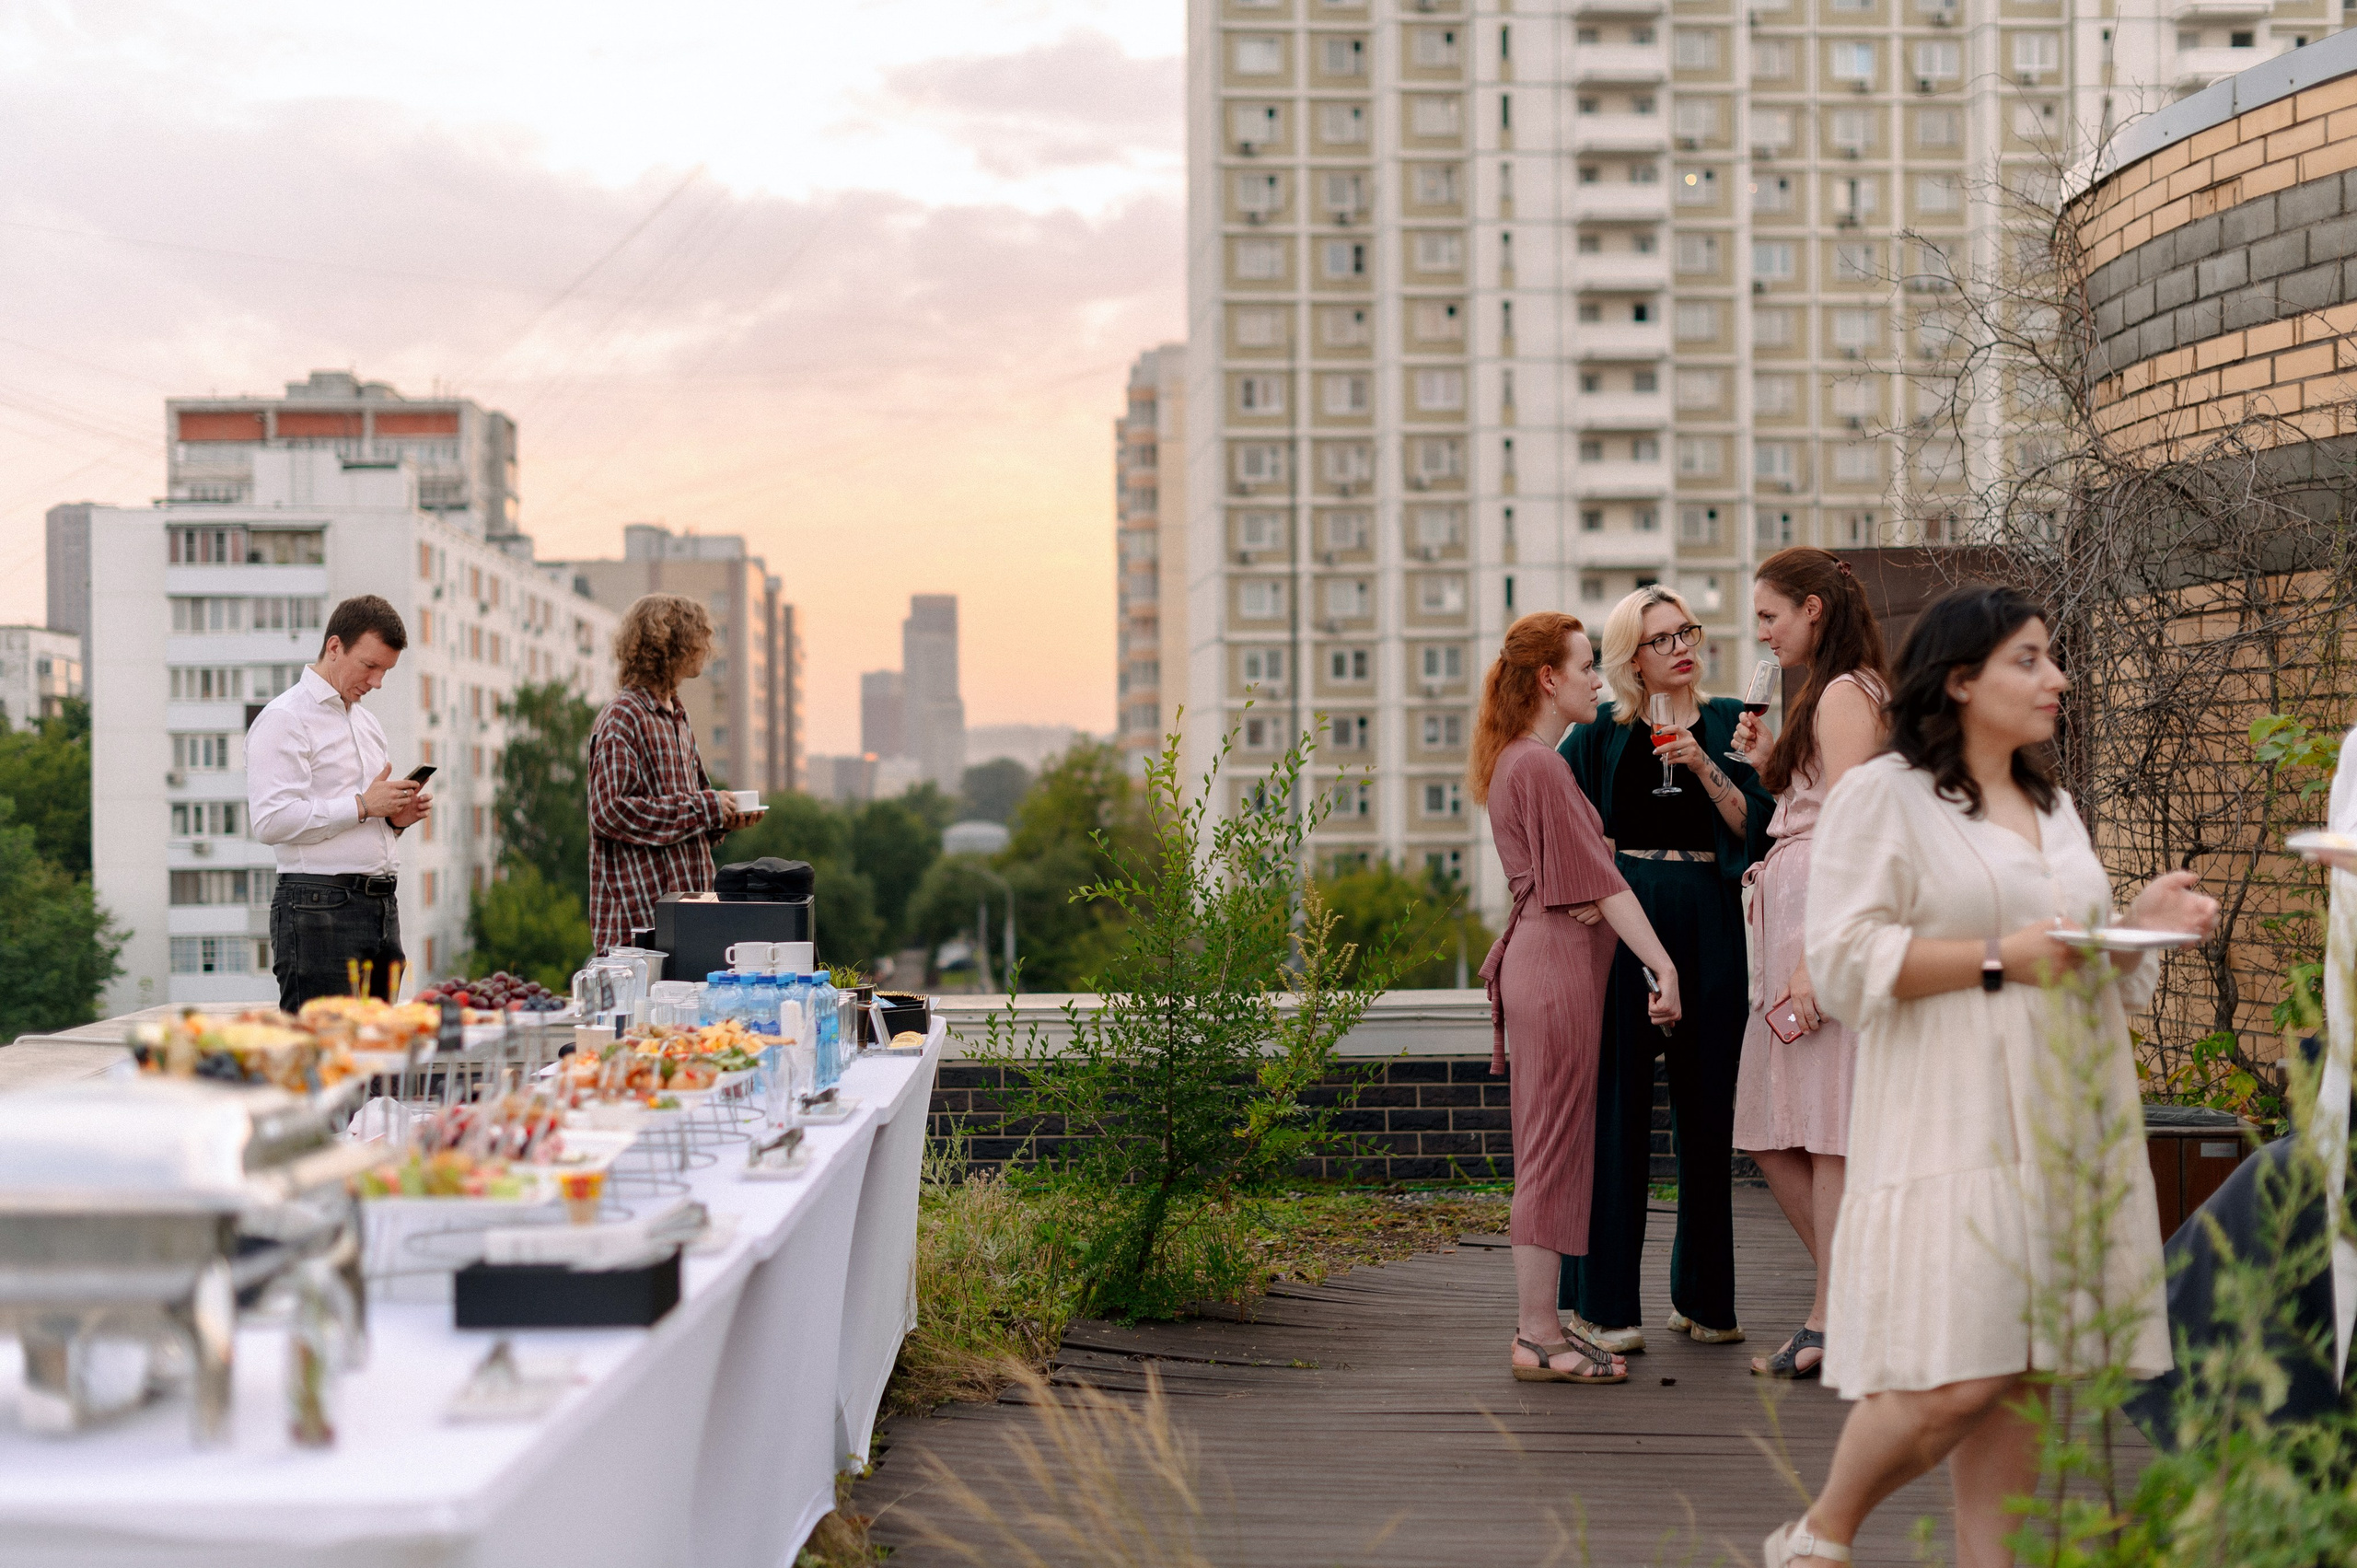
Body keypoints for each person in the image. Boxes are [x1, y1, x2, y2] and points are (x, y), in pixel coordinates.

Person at [1768, 585, 2217, 1568]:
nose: (2055, 677)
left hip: (2068, 1122)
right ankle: (1818, 1533)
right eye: (2028, 658)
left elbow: (2076, 956)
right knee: (1958, 1379)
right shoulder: (1881, 796)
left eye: (2052, 657)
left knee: (2031, 1383)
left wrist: (2139, 920)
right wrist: (1994, 956)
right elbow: (1844, 963)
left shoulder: (2050, 804)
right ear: (1960, 678)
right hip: (1954, 1123)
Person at [1558, 585, 1775, 1353]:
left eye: (1688, 629)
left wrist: (1704, 766)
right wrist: (1581, 889)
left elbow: (1760, 824)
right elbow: (1556, 818)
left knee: (1708, 1112)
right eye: (1662, 637)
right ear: (1632, 658)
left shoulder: (1730, 724)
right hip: (1627, 921)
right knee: (1618, 1111)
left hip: (1711, 921)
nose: (1683, 645)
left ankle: (1707, 1299)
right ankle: (1608, 1305)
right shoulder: (1602, 733)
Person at [1471, 612, 1684, 1385]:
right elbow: (1600, 882)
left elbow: (1583, 878)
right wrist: (1665, 964)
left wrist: (1591, 893)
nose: (1601, 679)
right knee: (1551, 1154)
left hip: (1550, 966)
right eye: (1588, 666)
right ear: (1547, 680)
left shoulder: (1525, 762)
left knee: (1552, 1150)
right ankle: (1536, 1336)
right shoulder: (1539, 766)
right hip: (1554, 974)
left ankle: (1547, 1327)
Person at [1728, 549, 1892, 1381]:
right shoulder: (1822, 695)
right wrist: (1766, 769)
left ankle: (1834, 1317)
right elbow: (1820, 805)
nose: (1762, 632)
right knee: (1773, 1129)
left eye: (1770, 614)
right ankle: (1849, 1302)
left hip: (1818, 940)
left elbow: (1860, 829)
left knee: (1826, 1134)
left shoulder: (1842, 693)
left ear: (1814, 609)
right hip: (1794, 934)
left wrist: (1825, 958)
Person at [249, 595, 433, 1010]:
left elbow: (354, 819)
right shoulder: (285, 718)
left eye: (386, 671)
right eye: (370, 666)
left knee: (380, 1062)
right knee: (327, 1063)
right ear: (335, 647)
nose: (378, 682)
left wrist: (393, 820)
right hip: (317, 911)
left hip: (381, 908)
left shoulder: (366, 723)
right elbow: (270, 821)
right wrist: (364, 806)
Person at [586, 594, 758, 954]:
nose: (706, 647)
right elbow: (609, 813)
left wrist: (722, 819)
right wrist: (705, 809)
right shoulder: (623, 717)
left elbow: (688, 808)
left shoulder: (679, 717)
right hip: (639, 927)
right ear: (669, 644)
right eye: (699, 637)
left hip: (690, 917)